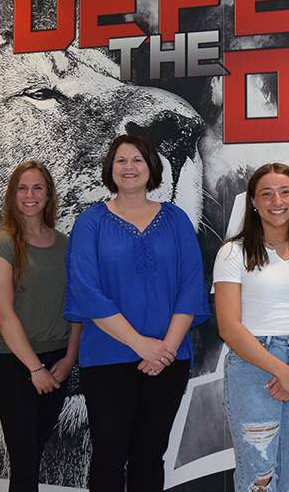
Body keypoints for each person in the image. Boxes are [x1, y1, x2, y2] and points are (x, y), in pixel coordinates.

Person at [64, 134, 210, 492]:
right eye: (121, 161)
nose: (129, 168)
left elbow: (191, 286)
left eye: (138, 160)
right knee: (109, 457)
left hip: (168, 359)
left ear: (152, 168)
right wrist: (141, 345)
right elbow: (87, 292)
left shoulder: (176, 220)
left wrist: (165, 349)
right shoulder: (91, 222)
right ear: (109, 170)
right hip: (107, 359)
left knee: (149, 456)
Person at [214, 163, 289, 492]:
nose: (276, 200)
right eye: (265, 193)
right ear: (253, 202)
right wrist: (281, 370)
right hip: (255, 365)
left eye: (285, 191)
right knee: (259, 477)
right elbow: (228, 326)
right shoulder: (232, 253)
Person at [0, 161, 82, 491]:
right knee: (24, 467)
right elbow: (4, 314)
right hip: (16, 364)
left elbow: (76, 309)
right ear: (12, 196)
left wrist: (68, 360)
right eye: (22, 188)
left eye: (38, 187)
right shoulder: (2, 243)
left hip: (57, 362)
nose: (30, 195)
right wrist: (35, 368)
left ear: (49, 195)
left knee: (35, 455)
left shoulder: (66, 245)